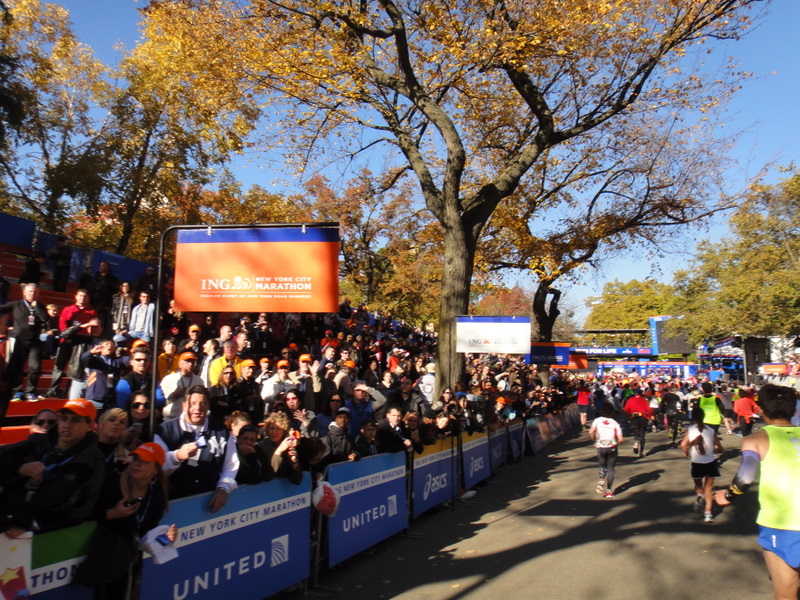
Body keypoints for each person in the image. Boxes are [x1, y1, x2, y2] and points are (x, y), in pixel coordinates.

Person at [714, 384, 800, 600]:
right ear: (794, 410)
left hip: (783, 524)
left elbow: (745, 478)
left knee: (786, 592)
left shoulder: (755, 440)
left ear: (761, 410)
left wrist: (727, 496)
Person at [74, 442, 176, 597]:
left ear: (156, 469)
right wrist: (113, 513)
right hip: (94, 559)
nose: (137, 464)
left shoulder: (156, 496)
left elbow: (145, 535)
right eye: (135, 459)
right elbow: (81, 513)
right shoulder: (109, 481)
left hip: (125, 564)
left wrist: (166, 537)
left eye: (145, 461)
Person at [0, 398, 105, 534]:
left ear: (90, 426)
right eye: (63, 419)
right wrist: (20, 468)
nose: (67, 425)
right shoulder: (39, 441)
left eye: (75, 420)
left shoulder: (92, 462)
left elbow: (78, 510)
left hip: (41, 532)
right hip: (9, 513)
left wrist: (31, 523)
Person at [154, 385, 238, 511]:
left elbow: (231, 464)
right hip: (173, 504)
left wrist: (224, 488)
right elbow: (156, 469)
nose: (197, 408)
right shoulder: (164, 430)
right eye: (192, 403)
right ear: (183, 406)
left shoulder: (222, 431)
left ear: (208, 406)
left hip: (208, 503)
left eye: (202, 403)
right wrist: (176, 457)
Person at [0, 283, 48, 407]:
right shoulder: (16, 304)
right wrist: (6, 325)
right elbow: (2, 309)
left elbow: (45, 319)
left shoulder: (40, 306)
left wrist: (37, 306)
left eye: (35, 292)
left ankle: (31, 391)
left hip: (35, 342)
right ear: (24, 292)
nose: (33, 294)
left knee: (35, 367)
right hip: (20, 340)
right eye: (30, 291)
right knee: (17, 366)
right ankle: (17, 391)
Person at [46, 288, 100, 398]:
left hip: (82, 342)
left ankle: (69, 391)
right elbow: (63, 328)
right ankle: (53, 390)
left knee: (76, 368)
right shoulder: (67, 309)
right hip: (66, 340)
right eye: (80, 295)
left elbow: (93, 328)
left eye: (85, 296)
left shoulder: (92, 311)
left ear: (88, 298)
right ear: (75, 297)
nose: (82, 298)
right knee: (59, 366)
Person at [680, 406, 724, 523]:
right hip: (710, 461)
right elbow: (719, 447)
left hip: (696, 462)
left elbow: (683, 444)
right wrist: (716, 450)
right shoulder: (710, 430)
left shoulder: (690, 430)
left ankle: (699, 496)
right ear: (704, 417)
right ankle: (708, 513)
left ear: (693, 417)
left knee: (699, 485)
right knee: (708, 488)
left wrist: (686, 452)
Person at [160, 352, 203, 419]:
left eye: (192, 362)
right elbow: (161, 402)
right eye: (187, 362)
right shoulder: (169, 379)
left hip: (189, 418)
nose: (190, 364)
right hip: (170, 417)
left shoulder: (199, 381)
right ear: (180, 364)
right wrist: (174, 395)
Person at [623, 388, 652, 457]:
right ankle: (641, 452)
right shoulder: (644, 400)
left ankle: (636, 442)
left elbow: (626, 409)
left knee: (636, 432)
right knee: (642, 434)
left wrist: (630, 414)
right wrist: (649, 417)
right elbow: (649, 410)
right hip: (642, 417)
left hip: (634, 417)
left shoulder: (630, 400)